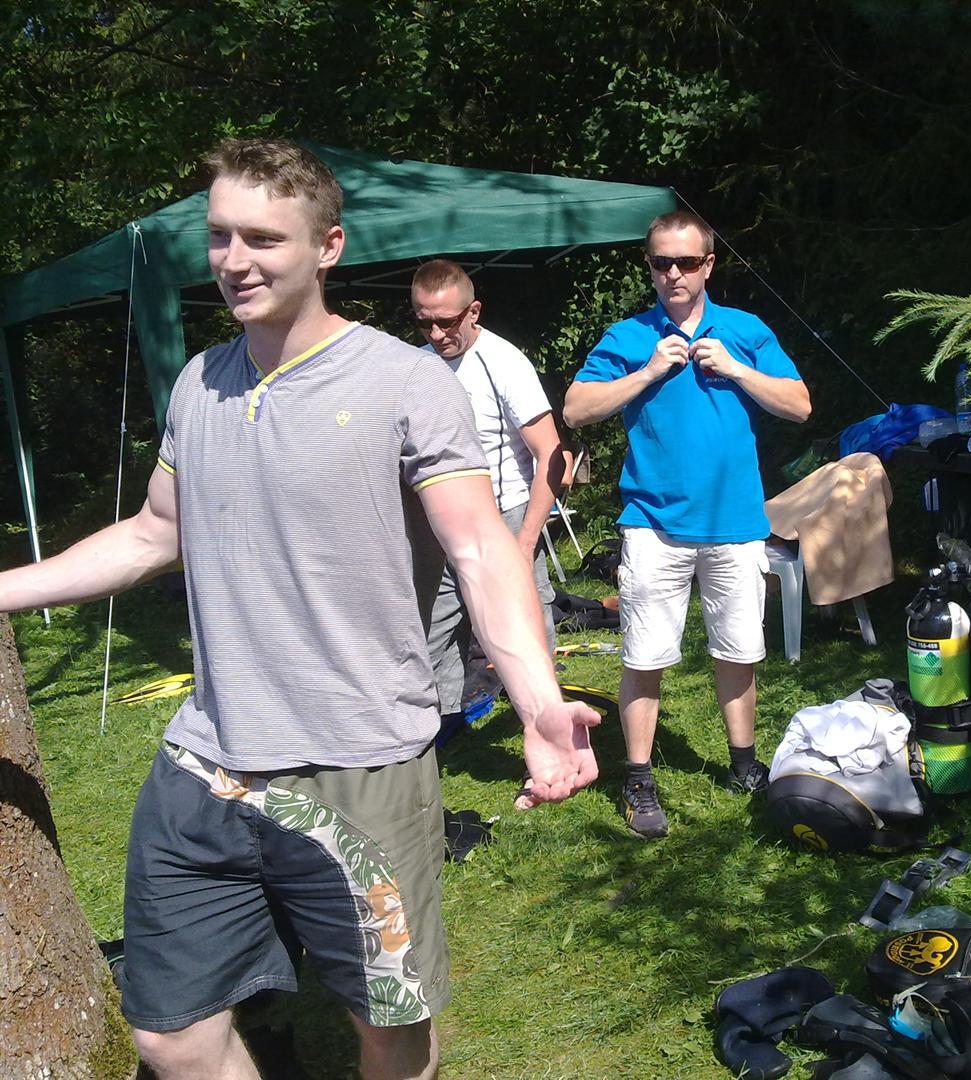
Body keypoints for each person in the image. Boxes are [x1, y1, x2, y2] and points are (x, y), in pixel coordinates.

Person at [0, 138, 599, 1080]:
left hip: (359, 765)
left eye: (263, 239)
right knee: (170, 1034)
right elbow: (155, 533)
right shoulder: (201, 381)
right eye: (220, 236)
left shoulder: (406, 383)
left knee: (390, 1030)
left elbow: (482, 551)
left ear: (328, 246)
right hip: (209, 762)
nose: (234, 260)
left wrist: (538, 705)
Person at [563, 210, 811, 840]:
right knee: (644, 655)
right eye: (661, 262)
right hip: (653, 523)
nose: (673, 273)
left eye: (686, 262)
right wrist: (647, 372)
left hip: (735, 521)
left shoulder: (745, 331)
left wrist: (737, 369)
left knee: (739, 650)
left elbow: (800, 405)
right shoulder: (629, 335)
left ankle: (744, 764)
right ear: (649, 267)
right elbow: (576, 409)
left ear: (708, 265)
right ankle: (638, 777)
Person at [410, 260, 565, 721]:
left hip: (504, 514)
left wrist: (526, 541)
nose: (436, 334)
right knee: (431, 631)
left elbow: (552, 454)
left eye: (447, 321)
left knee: (526, 630)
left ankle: (548, 724)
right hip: (437, 520)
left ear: (473, 311)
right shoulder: (414, 366)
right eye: (424, 322)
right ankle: (442, 727)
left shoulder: (503, 362)